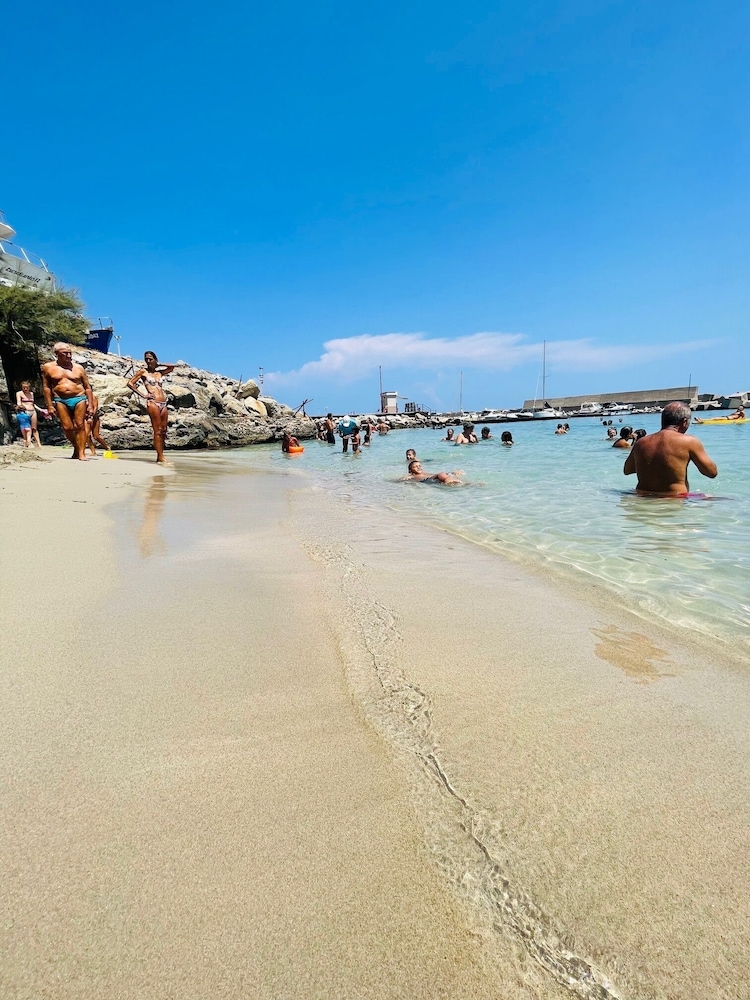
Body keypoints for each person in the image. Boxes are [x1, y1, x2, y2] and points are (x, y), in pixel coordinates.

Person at [623, 401, 717, 496]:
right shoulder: (689, 441)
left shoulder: (641, 442)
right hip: (674, 499)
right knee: (718, 499)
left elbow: (627, 470)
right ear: (684, 422)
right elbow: (711, 472)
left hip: (642, 497)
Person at [42, 343, 95, 461]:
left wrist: (91, 405)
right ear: (57, 354)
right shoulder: (48, 367)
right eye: (65, 353)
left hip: (79, 397)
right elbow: (46, 387)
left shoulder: (78, 368)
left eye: (70, 353)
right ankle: (76, 447)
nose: (69, 355)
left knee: (80, 425)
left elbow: (87, 387)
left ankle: (81, 453)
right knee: (67, 427)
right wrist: (49, 405)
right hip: (60, 399)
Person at [127, 351, 176, 464]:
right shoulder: (143, 372)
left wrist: (159, 364)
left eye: (150, 359)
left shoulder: (159, 373)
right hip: (153, 403)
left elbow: (172, 367)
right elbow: (130, 383)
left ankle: (160, 456)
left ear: (155, 359)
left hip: (163, 403)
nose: (148, 361)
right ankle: (161, 457)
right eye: (146, 359)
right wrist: (143, 395)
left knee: (164, 430)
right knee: (157, 430)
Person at [16, 381, 49, 448]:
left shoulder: (31, 394)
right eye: (24, 387)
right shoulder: (19, 393)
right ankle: (28, 442)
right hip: (25, 412)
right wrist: (21, 409)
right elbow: (19, 403)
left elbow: (33, 404)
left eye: (27, 388)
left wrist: (41, 410)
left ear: (29, 387)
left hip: (33, 411)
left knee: (34, 428)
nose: (25, 389)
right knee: (27, 428)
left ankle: (39, 444)